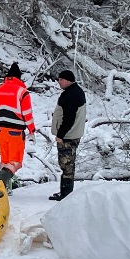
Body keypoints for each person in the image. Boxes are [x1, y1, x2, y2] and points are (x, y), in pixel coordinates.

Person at [0, 62, 35, 191]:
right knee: (15, 162)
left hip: (1, 131)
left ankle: (4, 188)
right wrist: (32, 130)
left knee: (5, 160)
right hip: (16, 132)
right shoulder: (22, 92)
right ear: (19, 78)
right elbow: (27, 114)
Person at [49, 70, 86, 200]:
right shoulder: (75, 92)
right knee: (69, 164)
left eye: (60, 79)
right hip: (73, 133)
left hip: (68, 135)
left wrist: (61, 134)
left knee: (66, 164)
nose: (58, 82)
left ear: (67, 80)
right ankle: (66, 192)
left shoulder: (71, 95)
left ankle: (66, 194)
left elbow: (69, 118)